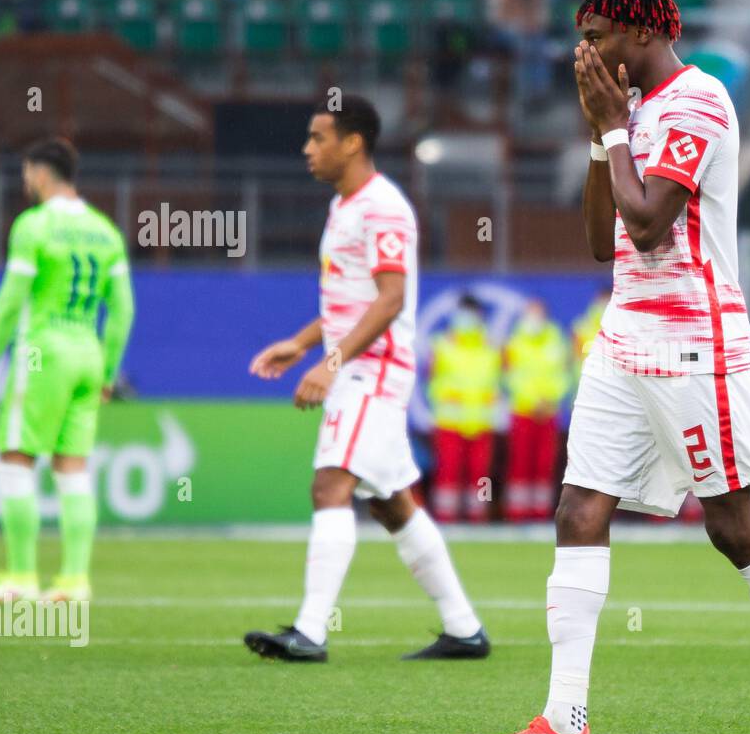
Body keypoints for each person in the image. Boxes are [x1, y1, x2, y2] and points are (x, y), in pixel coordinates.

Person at [464, 0, 750, 734]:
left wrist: (615, 131)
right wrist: (600, 136)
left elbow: (651, 225)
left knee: (730, 527)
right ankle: (564, 719)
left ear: (641, 33)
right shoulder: (626, 114)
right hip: (626, 334)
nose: (584, 50)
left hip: (695, 340)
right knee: (579, 508)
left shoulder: (699, 101)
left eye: (597, 34)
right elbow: (600, 238)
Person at [244, 96, 489, 662]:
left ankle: (309, 632)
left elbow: (391, 298)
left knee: (330, 486)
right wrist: (302, 343)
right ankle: (464, 628)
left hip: (372, 371)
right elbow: (351, 302)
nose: (308, 148)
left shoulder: (381, 207)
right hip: (358, 367)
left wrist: (330, 364)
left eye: (318, 137)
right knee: (392, 503)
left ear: (352, 142)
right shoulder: (345, 206)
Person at [0, 138, 134, 603]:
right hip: (88, 354)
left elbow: (11, 301)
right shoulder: (105, 231)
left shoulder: (33, 226)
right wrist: (109, 370)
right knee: (73, 467)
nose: (26, 181)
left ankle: (21, 578)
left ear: (41, 173)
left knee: (15, 456)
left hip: (42, 353)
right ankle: (73, 581)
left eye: (28, 173)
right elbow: (124, 310)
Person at [426, 293, 501, 523]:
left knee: (481, 476)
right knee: (448, 473)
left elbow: (498, 383)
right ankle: (444, 518)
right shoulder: (441, 344)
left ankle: (480, 517)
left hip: (481, 421)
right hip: (451, 421)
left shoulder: (491, 347)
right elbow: (432, 380)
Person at [503, 299, 569, 521]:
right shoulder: (514, 342)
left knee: (545, 463)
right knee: (521, 462)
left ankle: (540, 512)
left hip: (549, 411)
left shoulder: (556, 341)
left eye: (537, 313)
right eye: (530, 312)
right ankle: (517, 512)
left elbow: (564, 375)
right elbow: (510, 377)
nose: (533, 318)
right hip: (523, 410)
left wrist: (549, 399)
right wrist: (533, 401)